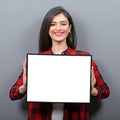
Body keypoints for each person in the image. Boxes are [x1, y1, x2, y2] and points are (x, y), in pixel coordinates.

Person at [9, 6, 110, 120]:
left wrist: (92, 90)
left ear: (69, 27)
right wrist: (24, 87)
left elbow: (105, 91)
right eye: (53, 24)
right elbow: (13, 94)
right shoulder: (37, 61)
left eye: (63, 24)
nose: (58, 28)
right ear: (47, 28)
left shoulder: (83, 58)